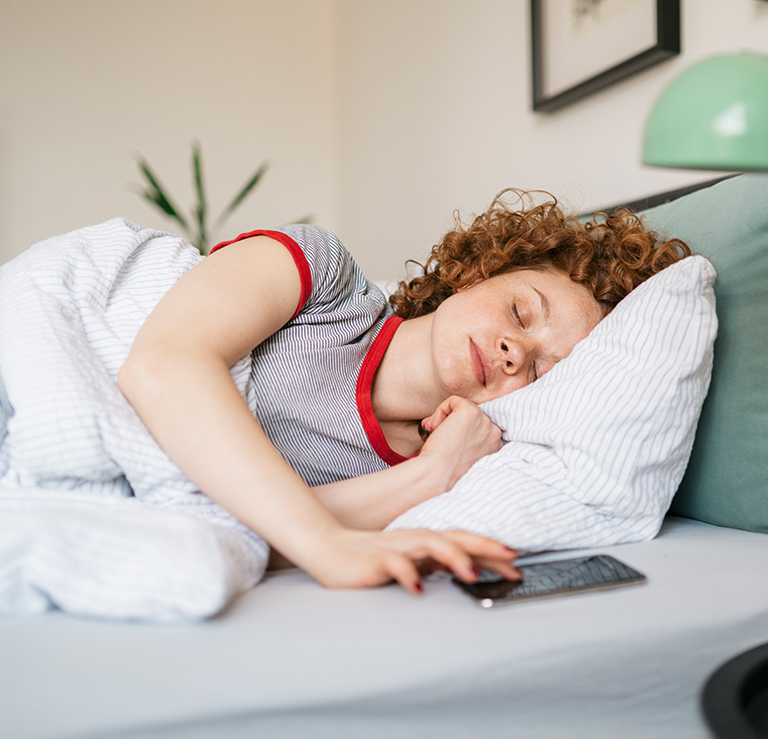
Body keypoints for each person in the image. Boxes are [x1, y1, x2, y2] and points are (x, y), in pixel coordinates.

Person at [11, 190, 690, 595]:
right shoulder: (323, 276)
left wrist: (431, 475)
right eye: (521, 311)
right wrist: (331, 548)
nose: (517, 351)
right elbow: (164, 363)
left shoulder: (452, 464)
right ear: (484, 269)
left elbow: (252, 526)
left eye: (541, 370)